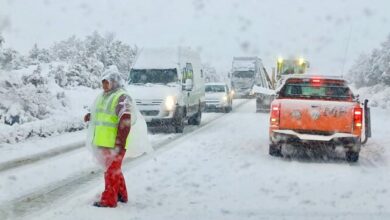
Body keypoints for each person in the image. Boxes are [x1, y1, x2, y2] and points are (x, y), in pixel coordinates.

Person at [84, 69, 133, 208]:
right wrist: (90, 116)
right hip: (104, 142)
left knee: (111, 171)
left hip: (116, 143)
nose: (104, 85)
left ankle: (109, 200)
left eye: (107, 82)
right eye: (103, 82)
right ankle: (122, 195)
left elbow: (125, 118)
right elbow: (103, 114)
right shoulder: (104, 96)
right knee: (113, 170)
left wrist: (120, 143)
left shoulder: (121, 97)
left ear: (115, 82)